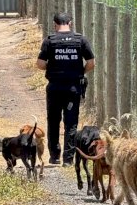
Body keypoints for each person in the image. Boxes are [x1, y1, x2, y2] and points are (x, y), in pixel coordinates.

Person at [36, 12, 95, 167]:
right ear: (71, 23)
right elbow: (91, 62)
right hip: (73, 88)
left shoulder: (50, 41)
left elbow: (40, 64)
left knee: (53, 121)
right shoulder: (80, 40)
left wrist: (54, 67)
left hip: (54, 88)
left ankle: (54, 156)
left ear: (55, 24)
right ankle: (68, 159)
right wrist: (80, 71)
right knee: (71, 123)